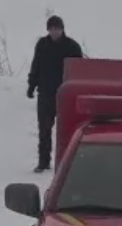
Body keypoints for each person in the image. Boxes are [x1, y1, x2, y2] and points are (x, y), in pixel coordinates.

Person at [26, 15, 83, 173]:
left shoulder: (72, 47)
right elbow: (35, 65)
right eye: (51, 29)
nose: (54, 31)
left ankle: (67, 163)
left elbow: (79, 71)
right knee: (44, 130)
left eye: (57, 28)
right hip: (45, 94)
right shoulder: (42, 45)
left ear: (62, 29)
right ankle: (43, 162)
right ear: (48, 30)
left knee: (67, 131)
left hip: (66, 95)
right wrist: (31, 85)